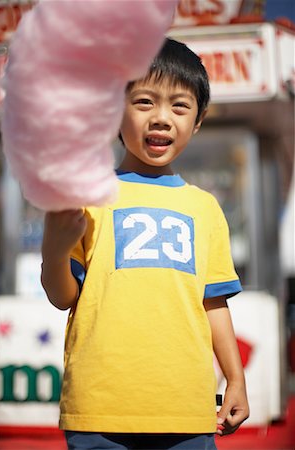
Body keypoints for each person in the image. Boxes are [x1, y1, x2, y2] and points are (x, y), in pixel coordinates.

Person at [41, 38, 249, 450]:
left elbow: (214, 303)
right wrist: (55, 245)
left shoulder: (205, 208)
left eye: (179, 106)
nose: (161, 118)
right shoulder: (88, 197)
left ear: (199, 120)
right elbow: (62, 296)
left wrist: (236, 378)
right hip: (99, 407)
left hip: (187, 408)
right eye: (143, 102)